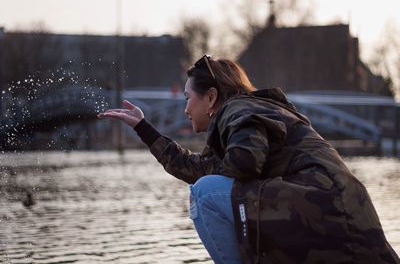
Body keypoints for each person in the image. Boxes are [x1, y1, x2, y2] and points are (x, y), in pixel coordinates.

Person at [98, 55, 399, 264]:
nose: (185, 109)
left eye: (188, 98)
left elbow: (243, 163)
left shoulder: (239, 110)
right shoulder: (247, 113)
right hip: (345, 215)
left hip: (324, 206)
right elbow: (200, 168)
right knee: (210, 186)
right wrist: (144, 128)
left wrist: (220, 179)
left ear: (212, 97)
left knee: (203, 194)